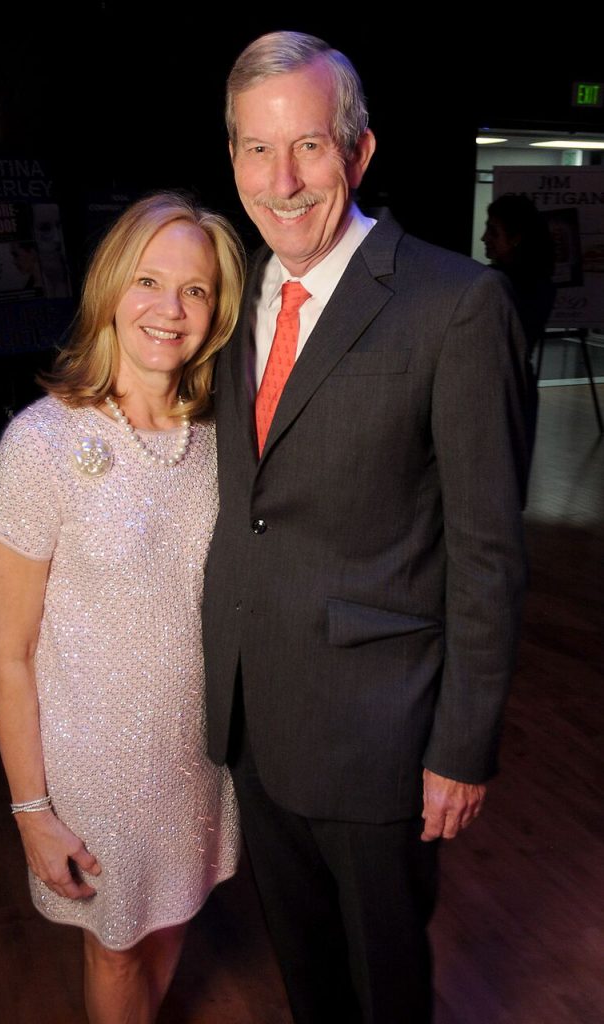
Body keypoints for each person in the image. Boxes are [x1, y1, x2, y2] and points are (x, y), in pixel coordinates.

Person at [201, 31, 530, 1024]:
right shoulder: (232, 296)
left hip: (379, 734)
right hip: (253, 718)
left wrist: (461, 745)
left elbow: (487, 551)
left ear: (359, 150)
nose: (283, 180)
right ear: (232, 157)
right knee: (307, 977)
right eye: (258, 149)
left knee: (385, 986)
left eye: (308, 146)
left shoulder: (455, 304)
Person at [0, 191, 245, 1024]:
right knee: (116, 945)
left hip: (195, 753)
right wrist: (31, 811)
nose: (170, 309)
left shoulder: (221, 439)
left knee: (171, 921)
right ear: (109, 290)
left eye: (195, 290)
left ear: (217, 311)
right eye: (148, 281)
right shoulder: (40, 444)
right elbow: (8, 653)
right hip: (96, 767)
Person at [482, 194, 555, 475]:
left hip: (493, 392)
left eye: (493, 231)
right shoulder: (541, 283)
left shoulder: (494, 287)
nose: (485, 238)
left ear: (515, 239)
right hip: (521, 388)